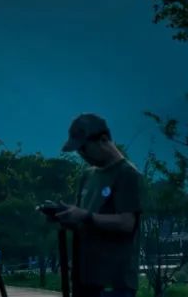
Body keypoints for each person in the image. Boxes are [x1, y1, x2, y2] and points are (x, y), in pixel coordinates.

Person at [54, 113, 144, 297]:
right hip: (84, 279)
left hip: (113, 283)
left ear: (103, 140)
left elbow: (127, 222)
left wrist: (86, 216)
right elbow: (83, 219)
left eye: (84, 148)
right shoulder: (87, 176)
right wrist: (67, 216)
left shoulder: (127, 174)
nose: (82, 154)